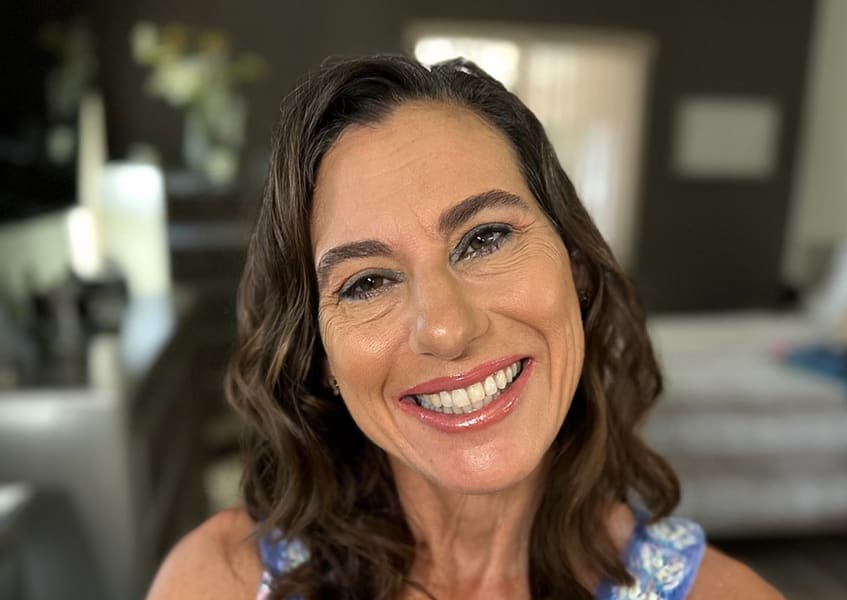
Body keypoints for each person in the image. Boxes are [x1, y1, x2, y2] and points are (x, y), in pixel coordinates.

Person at [147, 55, 782, 600]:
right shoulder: (216, 581)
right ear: (320, 356)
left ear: (577, 269)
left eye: (484, 239)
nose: (447, 330)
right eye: (367, 282)